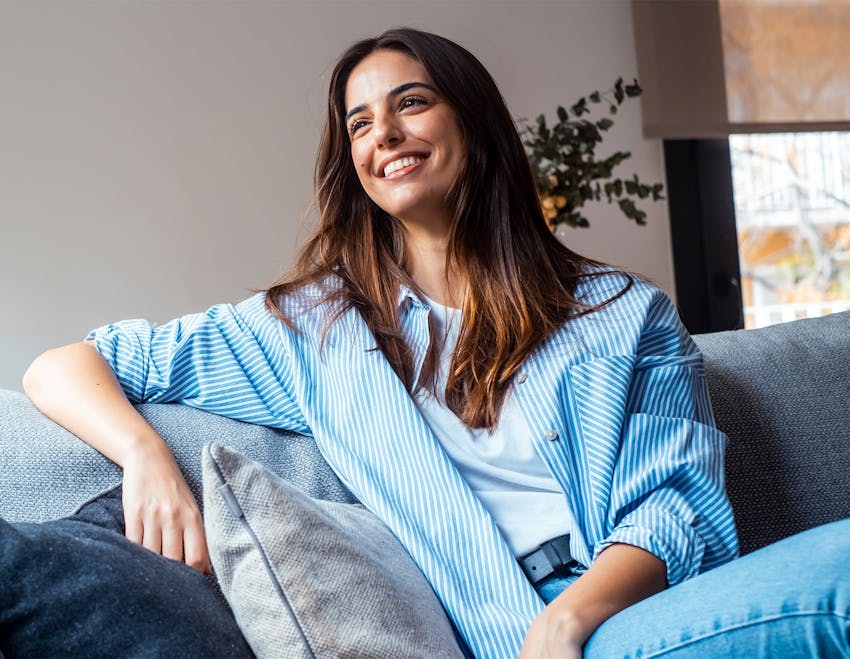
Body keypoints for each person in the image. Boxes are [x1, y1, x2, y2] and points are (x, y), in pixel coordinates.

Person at [22, 27, 849, 659]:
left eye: (411, 103)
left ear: (473, 121)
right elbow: (62, 365)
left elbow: (674, 508)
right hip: (506, 631)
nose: (384, 132)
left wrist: (569, 618)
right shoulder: (318, 327)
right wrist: (144, 456)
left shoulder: (623, 313)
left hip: (620, 619)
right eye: (360, 122)